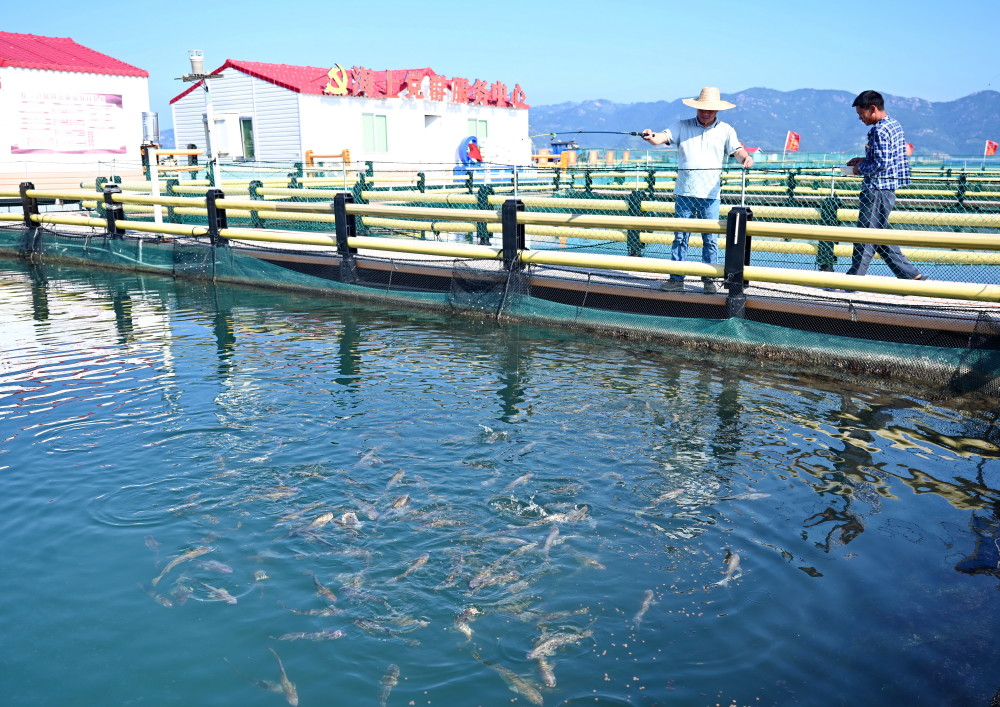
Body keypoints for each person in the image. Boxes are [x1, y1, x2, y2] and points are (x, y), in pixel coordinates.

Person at [641, 87, 753, 293]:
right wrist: (650, 136)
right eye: (702, 108)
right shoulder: (682, 126)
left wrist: (746, 158)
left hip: (711, 194)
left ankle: (709, 280)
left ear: (717, 110)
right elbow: (660, 137)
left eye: (709, 109)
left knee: (710, 239)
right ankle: (676, 279)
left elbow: (737, 150)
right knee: (680, 237)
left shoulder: (726, 130)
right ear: (697, 108)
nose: (705, 112)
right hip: (684, 191)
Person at [844, 90, 926, 282]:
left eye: (860, 114)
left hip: (876, 189)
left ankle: (852, 281)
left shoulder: (879, 130)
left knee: (866, 235)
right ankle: (911, 275)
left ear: (872, 109)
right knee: (879, 235)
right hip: (888, 187)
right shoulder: (893, 125)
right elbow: (888, 158)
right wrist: (864, 159)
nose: (860, 118)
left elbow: (881, 163)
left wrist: (859, 169)